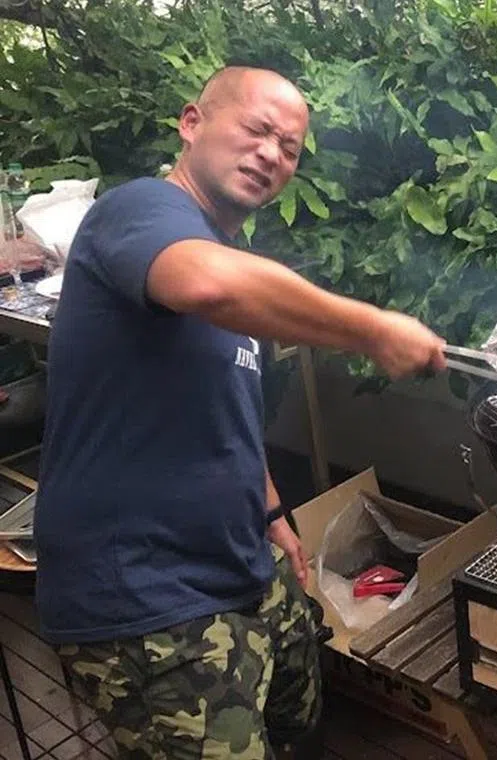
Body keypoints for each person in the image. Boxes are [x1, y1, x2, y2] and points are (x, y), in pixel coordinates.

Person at [34, 66, 446, 759]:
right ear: (192, 122)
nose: (271, 155)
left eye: (288, 147)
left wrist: (269, 506)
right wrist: (374, 328)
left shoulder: (229, 258)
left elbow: (215, 402)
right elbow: (203, 282)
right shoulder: (141, 211)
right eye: (257, 130)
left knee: (303, 725)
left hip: (243, 564)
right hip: (146, 601)